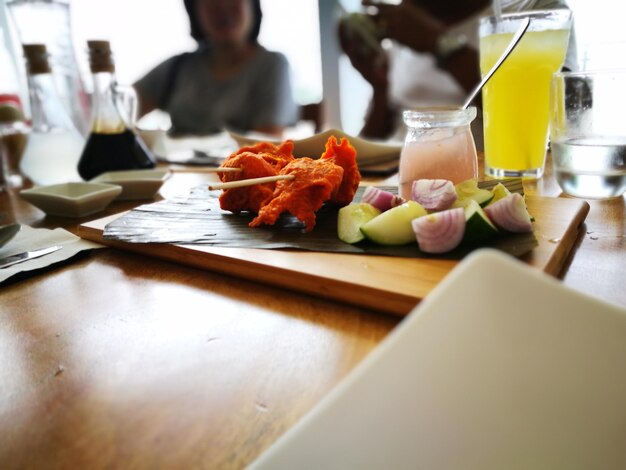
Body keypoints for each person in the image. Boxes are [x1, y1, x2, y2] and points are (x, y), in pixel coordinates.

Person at [339, 0, 575, 142]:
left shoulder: (534, 9)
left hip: (495, 185)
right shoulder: (405, 26)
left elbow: (550, 114)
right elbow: (376, 143)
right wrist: (380, 87)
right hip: (404, 186)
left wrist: (441, 43)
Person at [134, 0, 298, 136]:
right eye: (212, 3)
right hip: (176, 174)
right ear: (194, 10)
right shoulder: (178, 66)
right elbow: (119, 111)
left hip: (242, 175)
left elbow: (267, 144)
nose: (223, 8)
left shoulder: (272, 65)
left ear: (252, 6)